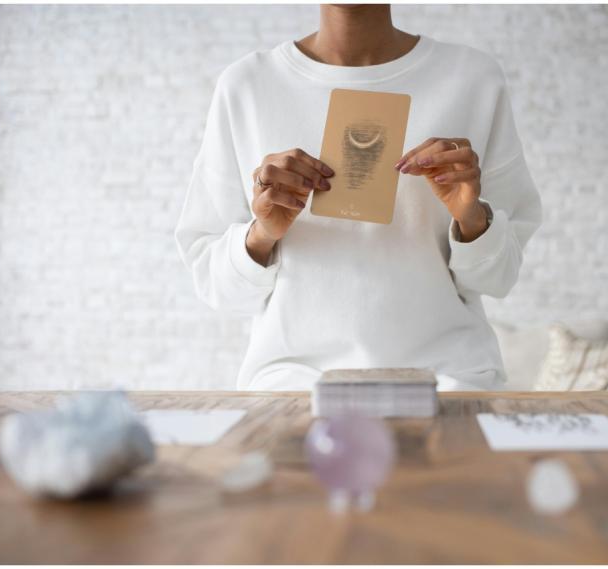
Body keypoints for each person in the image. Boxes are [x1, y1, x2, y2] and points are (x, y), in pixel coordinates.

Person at [175, 4, 542, 391]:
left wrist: (470, 217)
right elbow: (215, 285)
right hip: (293, 387)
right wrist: (261, 234)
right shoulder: (247, 86)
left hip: (450, 380)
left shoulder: (473, 79)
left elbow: (501, 276)